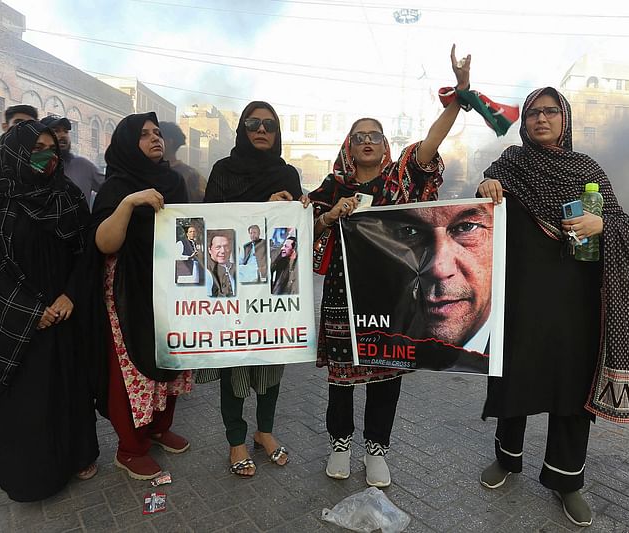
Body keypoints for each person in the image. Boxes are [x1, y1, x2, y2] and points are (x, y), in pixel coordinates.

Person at [477, 87, 629, 528]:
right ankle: (506, 458)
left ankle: (566, 479)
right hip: (521, 298)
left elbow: (622, 225)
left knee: (572, 390)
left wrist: (601, 223)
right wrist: (486, 184)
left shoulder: (586, 169)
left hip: (577, 304)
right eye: (533, 112)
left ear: (565, 118)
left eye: (551, 111)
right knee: (514, 375)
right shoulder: (511, 163)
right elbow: (484, 194)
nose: (541, 118)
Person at [308, 45, 471, 488]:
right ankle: (340, 443)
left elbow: (431, 144)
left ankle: (377, 450)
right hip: (344, 294)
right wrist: (328, 214)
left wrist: (459, 95)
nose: (366, 140)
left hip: (393, 293)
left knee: (385, 369)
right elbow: (306, 230)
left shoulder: (401, 180)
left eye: (375, 135)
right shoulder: (332, 186)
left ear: (385, 147)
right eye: (358, 134)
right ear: (348, 145)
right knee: (342, 375)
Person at [0, 120, 98, 501]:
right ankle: (31, 476)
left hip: (64, 313)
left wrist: (71, 294)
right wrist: (29, 311)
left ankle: (78, 455)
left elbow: (85, 251)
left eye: (51, 148)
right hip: (16, 320)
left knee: (68, 387)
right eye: (36, 147)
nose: (47, 155)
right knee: (25, 399)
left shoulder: (65, 196)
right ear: (13, 150)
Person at [197, 100, 303, 477]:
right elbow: (213, 225)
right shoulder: (224, 171)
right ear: (241, 129)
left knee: (272, 363)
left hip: (274, 286)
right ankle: (236, 440)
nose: (261, 130)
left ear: (277, 133)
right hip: (232, 286)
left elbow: (290, 235)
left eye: (269, 125)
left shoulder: (287, 174)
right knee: (235, 367)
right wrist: (261, 206)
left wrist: (299, 210)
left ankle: (265, 432)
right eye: (253, 123)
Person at [91, 112, 193, 480]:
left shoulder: (173, 181)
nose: (155, 139)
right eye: (144, 134)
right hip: (127, 292)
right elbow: (104, 242)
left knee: (170, 358)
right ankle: (130, 448)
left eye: (157, 133)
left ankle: (159, 428)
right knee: (131, 367)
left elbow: (191, 230)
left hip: (169, 286)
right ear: (125, 142)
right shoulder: (117, 185)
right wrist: (129, 203)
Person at [341, 202, 494, 373]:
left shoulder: (514, 343)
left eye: (466, 227)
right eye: (410, 232)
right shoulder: (391, 333)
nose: (439, 269)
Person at [41, 116, 104, 208]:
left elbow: (112, 191)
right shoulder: (34, 168)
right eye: (56, 131)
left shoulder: (84, 166)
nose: (63, 135)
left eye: (66, 131)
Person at [161, 121, 207, 202]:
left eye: (158, 136)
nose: (153, 140)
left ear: (169, 142)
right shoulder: (145, 171)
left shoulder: (191, 175)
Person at [206, 231, 236, 297]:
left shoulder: (236, 268)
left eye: (226, 246)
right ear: (210, 250)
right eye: (218, 247)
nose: (223, 251)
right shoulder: (206, 273)